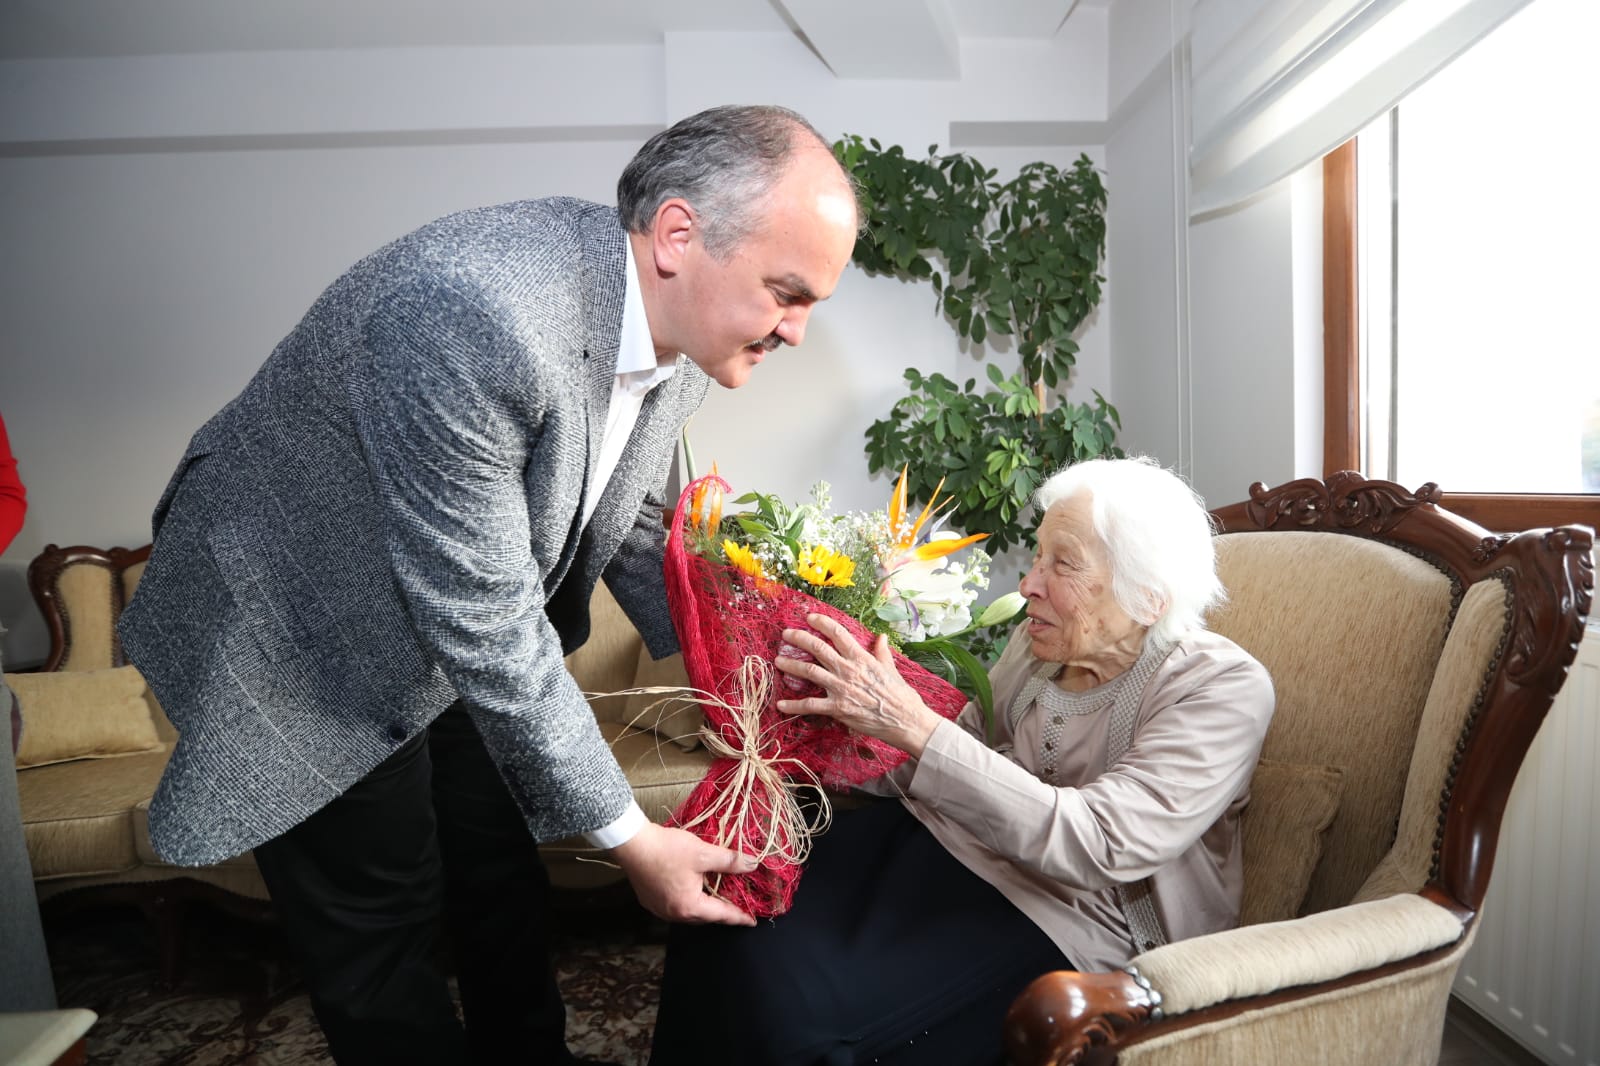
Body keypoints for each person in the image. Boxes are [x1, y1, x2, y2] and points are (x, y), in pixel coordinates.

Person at [117, 104, 860, 1066]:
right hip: (302, 615)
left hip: (455, 607)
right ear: (679, 235)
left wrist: (755, 662)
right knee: (385, 908)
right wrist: (634, 841)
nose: (797, 329)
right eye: (787, 293)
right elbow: (485, 617)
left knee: (498, 857)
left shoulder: (683, 336)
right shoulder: (475, 313)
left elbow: (635, 523)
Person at [649, 456, 1276, 1066]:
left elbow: (1100, 844)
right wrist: (825, 722)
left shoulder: (1220, 687)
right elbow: (963, 749)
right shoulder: (1041, 642)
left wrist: (910, 723)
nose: (1029, 584)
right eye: (1038, 557)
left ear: (1149, 597)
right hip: (953, 844)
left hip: (1074, 920)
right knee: (725, 904)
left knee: (789, 1017)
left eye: (1062, 564)